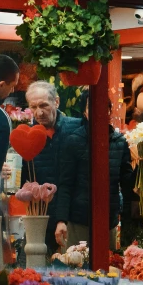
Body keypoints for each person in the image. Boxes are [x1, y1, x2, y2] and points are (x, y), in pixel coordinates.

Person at [55, 95, 135, 251]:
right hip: (79, 219)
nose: (97, 112)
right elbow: (65, 184)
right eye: (91, 108)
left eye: (103, 108)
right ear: (85, 113)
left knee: (107, 268)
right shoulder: (74, 140)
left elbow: (126, 182)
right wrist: (61, 220)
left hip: (108, 220)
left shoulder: (119, 142)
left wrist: (141, 172)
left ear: (109, 112)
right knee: (77, 268)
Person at [24, 81, 81, 253]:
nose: (38, 112)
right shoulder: (26, 136)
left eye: (43, 105)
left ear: (56, 102)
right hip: (43, 215)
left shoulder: (77, 128)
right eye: (33, 107)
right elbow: (25, 179)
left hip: (75, 214)